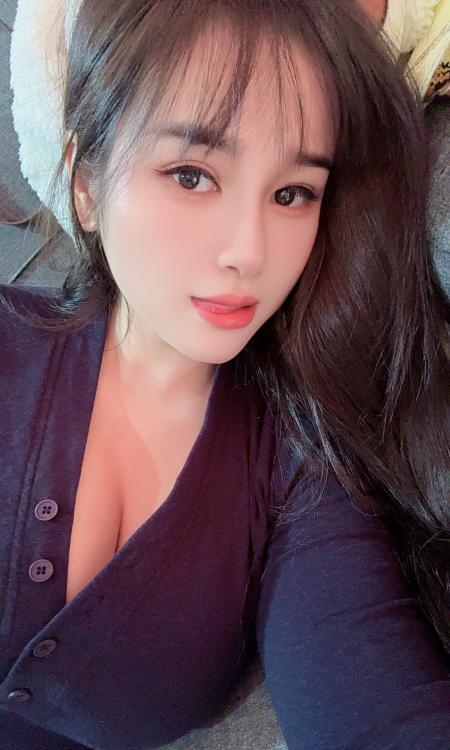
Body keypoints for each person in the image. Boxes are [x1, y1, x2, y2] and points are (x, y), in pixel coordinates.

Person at [0, 1, 449, 749]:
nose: (249, 250)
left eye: (292, 193)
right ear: (85, 184)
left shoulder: (300, 468)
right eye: (192, 174)